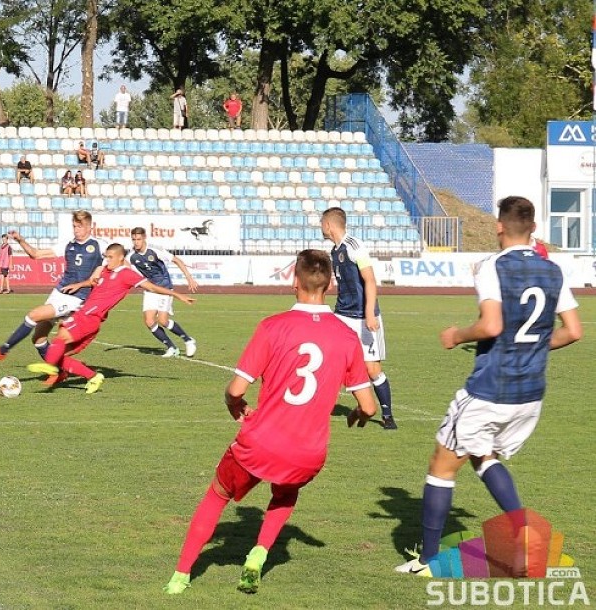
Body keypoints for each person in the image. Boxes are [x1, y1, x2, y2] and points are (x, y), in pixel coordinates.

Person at [163, 249, 377, 595]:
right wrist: (356, 414)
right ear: (331, 285)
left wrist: (235, 405)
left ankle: (181, 575)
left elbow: (236, 388)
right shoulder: (346, 336)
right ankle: (259, 553)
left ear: (295, 281)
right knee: (286, 492)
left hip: (262, 441)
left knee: (216, 496)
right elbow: (368, 406)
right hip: (307, 452)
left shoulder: (273, 326)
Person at [394, 196, 582, 578]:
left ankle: (429, 561)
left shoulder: (492, 266)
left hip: (490, 388)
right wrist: (531, 345)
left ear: (499, 226)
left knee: (441, 467)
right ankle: (524, 533)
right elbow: (573, 331)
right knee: (483, 456)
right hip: (530, 393)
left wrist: (456, 335)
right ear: (532, 228)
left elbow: (492, 326)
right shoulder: (553, 270)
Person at [26, 242, 196, 393]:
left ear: (121, 257)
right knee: (60, 355)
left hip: (90, 317)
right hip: (88, 317)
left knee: (59, 339)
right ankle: (93, 376)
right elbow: (93, 282)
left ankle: (50, 368)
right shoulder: (106, 271)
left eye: (111, 257)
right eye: (106, 257)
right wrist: (79, 284)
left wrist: (177, 295)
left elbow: (151, 286)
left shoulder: (127, 274)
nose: (107, 260)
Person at [0, 210, 108, 369]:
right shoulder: (68, 244)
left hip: (76, 297)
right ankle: (61, 370)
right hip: (59, 293)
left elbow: (117, 259)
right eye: (74, 226)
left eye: (80, 226)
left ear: (89, 227)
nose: (76, 230)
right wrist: (21, 240)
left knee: (33, 315)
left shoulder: (100, 245)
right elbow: (35, 255)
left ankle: (2, 350)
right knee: (38, 338)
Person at [320, 206, 397, 430]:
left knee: (372, 369)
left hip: (363, 317)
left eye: (321, 224)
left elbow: (370, 281)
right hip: (343, 315)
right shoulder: (334, 251)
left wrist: (370, 313)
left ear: (328, 225)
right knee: (331, 359)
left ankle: (387, 415)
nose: (321, 228)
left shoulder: (355, 246)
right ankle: (323, 405)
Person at [129, 227, 199, 358]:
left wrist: (189, 277)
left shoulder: (155, 250)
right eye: (134, 239)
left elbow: (176, 260)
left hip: (165, 287)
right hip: (150, 289)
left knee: (163, 320)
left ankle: (188, 340)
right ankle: (171, 347)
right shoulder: (131, 256)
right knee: (149, 321)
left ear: (144, 238)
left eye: (138, 239)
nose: (136, 242)